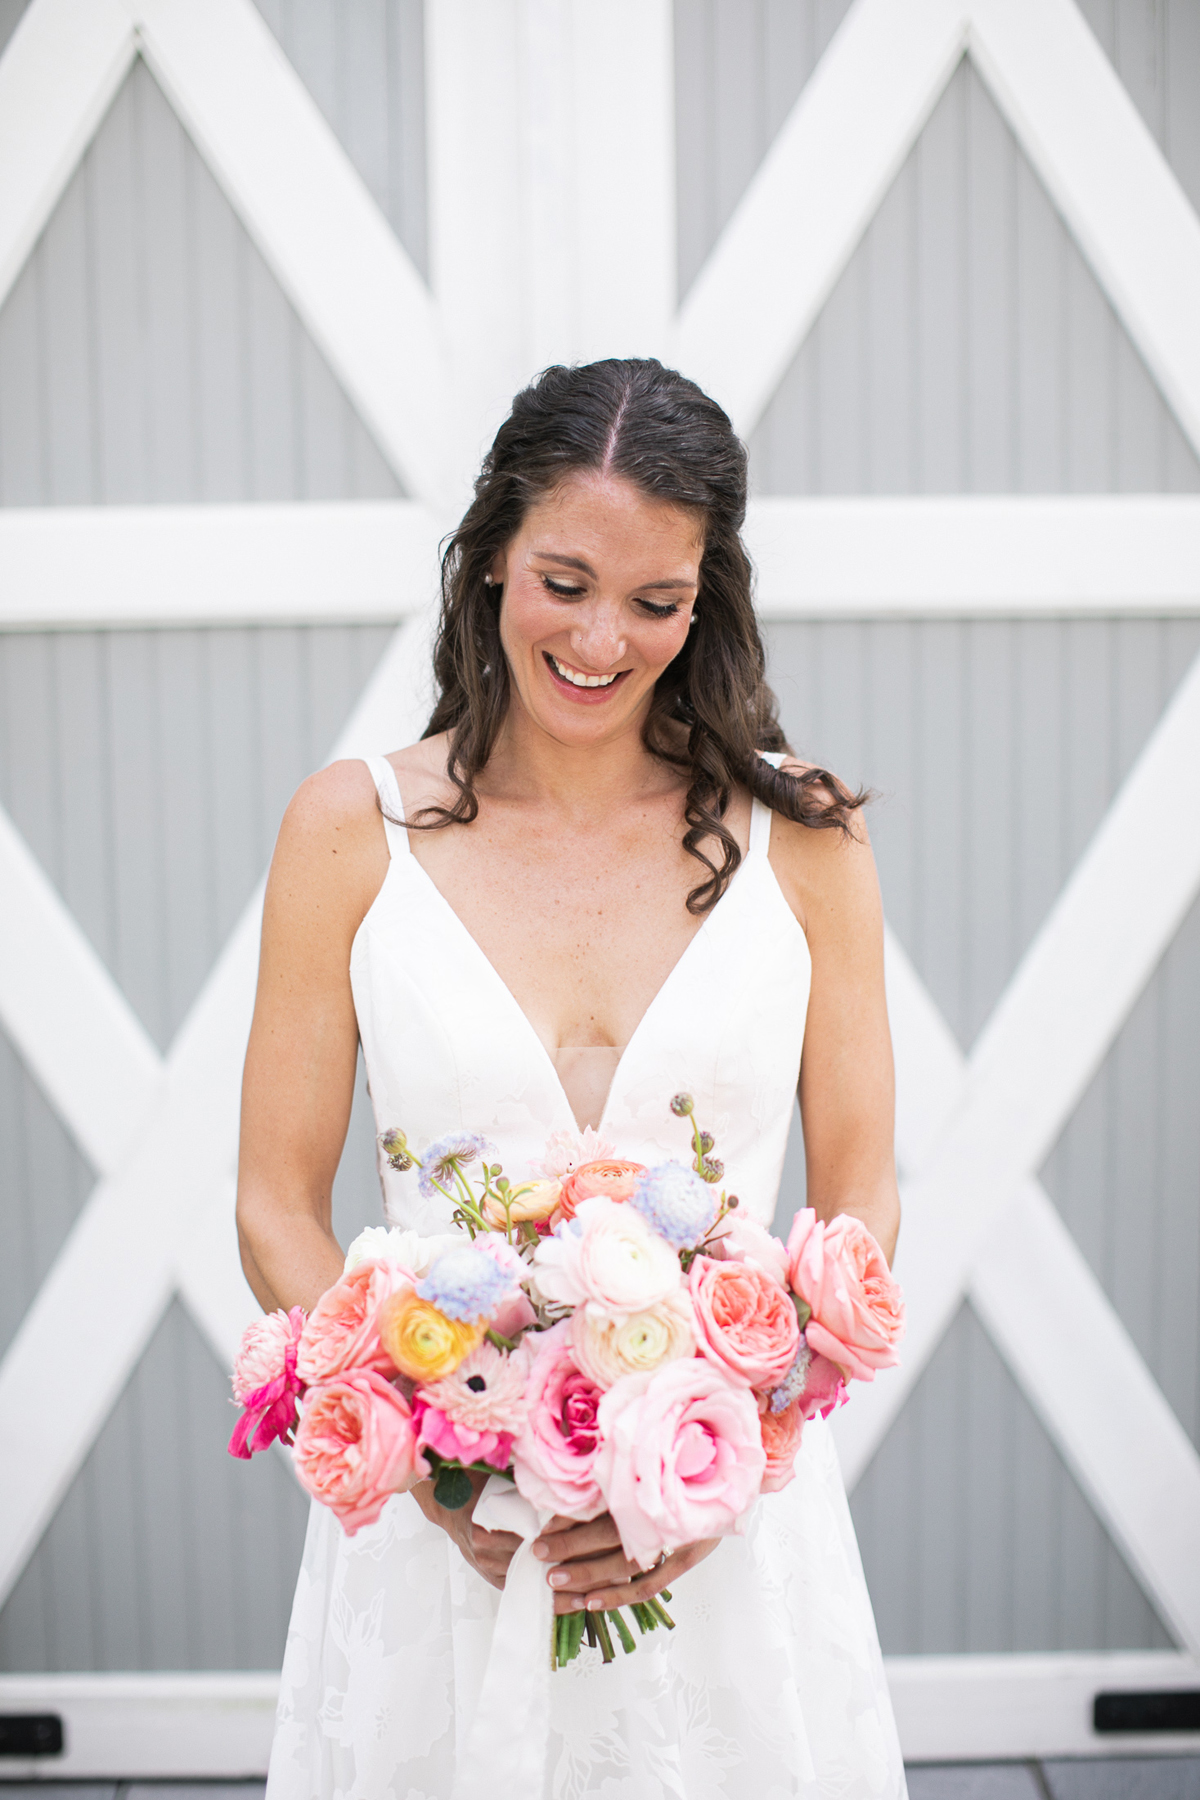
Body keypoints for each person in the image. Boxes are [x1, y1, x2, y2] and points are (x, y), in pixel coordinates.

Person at [237, 359, 906, 1798]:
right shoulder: (348, 832)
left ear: (705, 600)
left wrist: (737, 1446)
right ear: (491, 556)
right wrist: (434, 1462)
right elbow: (272, 1204)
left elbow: (861, 1191)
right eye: (564, 582)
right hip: (444, 1551)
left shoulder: (806, 837)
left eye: (656, 601)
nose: (603, 640)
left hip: (727, 1535)